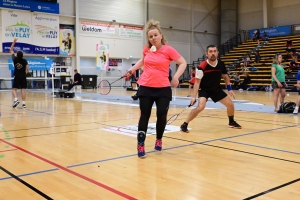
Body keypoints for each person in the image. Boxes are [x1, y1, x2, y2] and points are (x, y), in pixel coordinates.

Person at [125, 19, 187, 158]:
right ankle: (140, 144)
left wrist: (176, 77)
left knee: (161, 116)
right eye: (150, 36)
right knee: (144, 116)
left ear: (160, 35)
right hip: (146, 87)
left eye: (155, 35)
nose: (153, 38)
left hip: (163, 88)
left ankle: (159, 139)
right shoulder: (147, 49)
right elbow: (143, 60)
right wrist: (131, 69)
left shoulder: (168, 50)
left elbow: (183, 63)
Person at [180, 45, 241, 133]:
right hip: (204, 90)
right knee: (200, 107)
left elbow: (225, 76)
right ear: (206, 54)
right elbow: (197, 82)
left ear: (217, 53)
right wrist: (194, 97)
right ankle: (184, 124)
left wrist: (229, 88)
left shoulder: (221, 64)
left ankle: (231, 122)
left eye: (214, 51)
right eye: (210, 51)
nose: (213, 53)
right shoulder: (202, 66)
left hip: (216, 89)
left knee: (230, 105)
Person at [11, 38, 30, 108]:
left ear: (17, 55)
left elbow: (11, 49)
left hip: (17, 76)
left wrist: (14, 42)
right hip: (23, 76)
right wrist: (26, 72)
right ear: (22, 55)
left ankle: (16, 99)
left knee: (14, 89)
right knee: (23, 89)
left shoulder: (14, 59)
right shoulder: (24, 60)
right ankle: (24, 104)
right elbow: (28, 69)